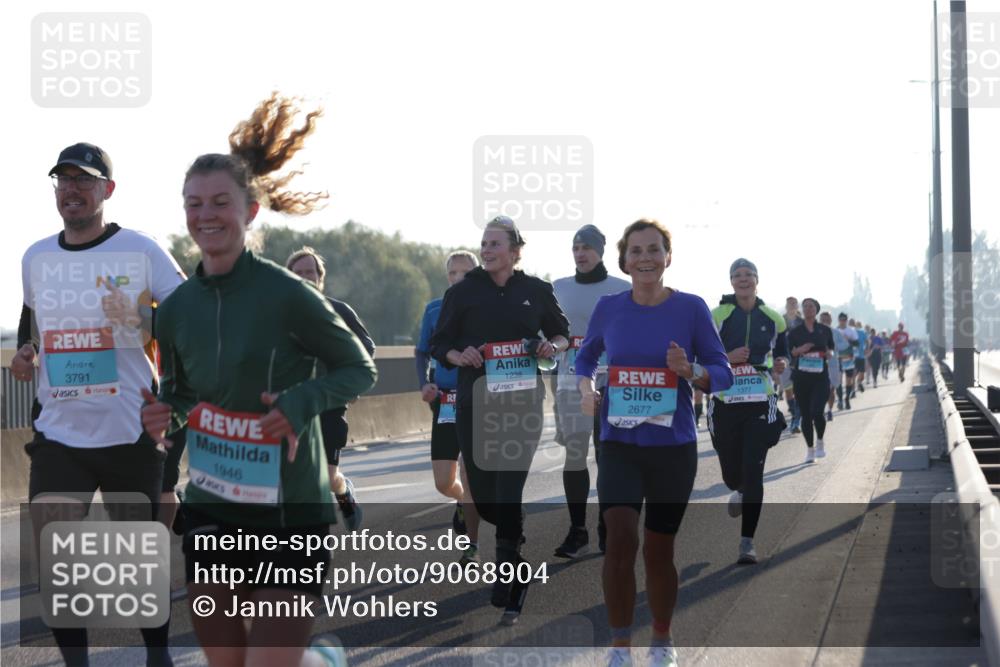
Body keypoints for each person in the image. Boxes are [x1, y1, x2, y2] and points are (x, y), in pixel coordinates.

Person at [140, 93, 376, 667]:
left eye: (220, 202)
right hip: (213, 506)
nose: (206, 215)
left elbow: (358, 367)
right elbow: (180, 392)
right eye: (194, 204)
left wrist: (300, 401)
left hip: (290, 509)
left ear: (250, 211)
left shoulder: (288, 294)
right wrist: (163, 413)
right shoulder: (175, 310)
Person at [12, 142, 185, 667]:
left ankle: (158, 656)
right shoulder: (36, 256)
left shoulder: (141, 250)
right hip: (60, 434)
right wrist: (27, 351)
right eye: (63, 180)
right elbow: (32, 319)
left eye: (84, 180)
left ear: (107, 189)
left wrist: (139, 319)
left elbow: (190, 319)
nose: (72, 190)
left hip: (130, 431)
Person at [576, 219, 732, 667]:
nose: (645, 257)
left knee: (659, 550)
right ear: (624, 261)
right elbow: (585, 357)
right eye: (636, 251)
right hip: (619, 443)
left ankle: (662, 639)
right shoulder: (609, 307)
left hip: (672, 448)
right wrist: (586, 388)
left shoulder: (691, 308)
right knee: (620, 540)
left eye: (654, 249)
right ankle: (620, 646)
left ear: (668, 257)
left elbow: (721, 372)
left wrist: (691, 371)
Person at [429, 215, 570, 624]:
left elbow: (562, 334)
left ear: (515, 250)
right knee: (486, 497)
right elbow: (440, 343)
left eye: (495, 244)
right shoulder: (463, 292)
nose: (487, 250)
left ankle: (507, 575)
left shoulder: (536, 290)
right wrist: (460, 355)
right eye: (484, 243)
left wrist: (550, 346)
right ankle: (518, 566)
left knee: (509, 490)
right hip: (475, 405)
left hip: (522, 406)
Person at [551, 224, 630, 558]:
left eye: (586, 247)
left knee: (606, 455)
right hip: (570, 382)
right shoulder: (557, 288)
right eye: (575, 248)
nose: (580, 253)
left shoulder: (622, 289)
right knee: (574, 455)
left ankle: (605, 527)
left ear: (600, 250)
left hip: (613, 382)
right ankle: (577, 530)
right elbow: (547, 332)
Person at [286, 246, 375, 531]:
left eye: (310, 272)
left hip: (330, 404)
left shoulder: (338, 311)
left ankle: (344, 492)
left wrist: (349, 382)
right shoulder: (277, 313)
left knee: (327, 475)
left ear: (320, 277)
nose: (305, 277)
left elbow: (366, 348)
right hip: (291, 406)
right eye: (298, 273)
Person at [708, 259, 788, 565]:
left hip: (759, 397)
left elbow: (781, 349)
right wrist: (727, 357)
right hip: (724, 401)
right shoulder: (717, 315)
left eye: (748, 275)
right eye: (737, 275)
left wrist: (780, 362)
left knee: (754, 471)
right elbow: (701, 352)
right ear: (731, 282)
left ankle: (747, 542)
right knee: (731, 474)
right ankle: (738, 489)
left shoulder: (773, 317)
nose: (743, 279)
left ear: (757, 280)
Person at [415, 249, 482, 563]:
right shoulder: (434, 309)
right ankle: (461, 501)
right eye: (452, 273)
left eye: (464, 273)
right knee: (444, 481)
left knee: (469, 473)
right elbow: (421, 352)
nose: (457, 278)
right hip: (444, 401)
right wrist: (424, 384)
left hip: (476, 399)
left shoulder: (485, 307)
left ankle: (471, 545)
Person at [787, 299, 836, 463]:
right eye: (805, 306)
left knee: (817, 411)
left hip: (820, 376)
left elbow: (831, 348)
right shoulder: (795, 332)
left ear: (816, 310)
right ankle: (810, 449)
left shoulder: (824, 330)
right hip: (801, 377)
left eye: (811, 306)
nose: (808, 309)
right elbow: (790, 352)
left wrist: (829, 354)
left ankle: (820, 441)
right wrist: (800, 350)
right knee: (806, 414)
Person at [780, 297, 804, 433]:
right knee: (788, 391)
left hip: (800, 360)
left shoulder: (802, 322)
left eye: (794, 304)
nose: (792, 306)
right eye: (790, 304)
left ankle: (796, 421)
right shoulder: (780, 320)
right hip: (784, 359)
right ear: (786, 306)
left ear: (797, 306)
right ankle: (795, 414)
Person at [819, 312, 841, 422]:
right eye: (823, 320)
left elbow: (843, 346)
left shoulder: (836, 332)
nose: (825, 322)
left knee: (831, 391)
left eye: (827, 320)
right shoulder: (814, 332)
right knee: (820, 390)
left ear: (831, 321)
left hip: (833, 365)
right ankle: (820, 411)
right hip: (818, 365)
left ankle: (830, 411)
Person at [835, 313, 858, 409]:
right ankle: (840, 400)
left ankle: (847, 399)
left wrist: (848, 340)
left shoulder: (851, 330)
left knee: (849, 381)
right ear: (838, 320)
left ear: (847, 320)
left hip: (849, 358)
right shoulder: (835, 331)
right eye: (841, 319)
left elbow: (857, 344)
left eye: (844, 319)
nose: (842, 321)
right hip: (838, 358)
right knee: (839, 381)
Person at [853, 320, 868, 393]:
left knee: (862, 375)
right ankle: (852, 389)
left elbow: (867, 341)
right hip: (854, 356)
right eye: (857, 324)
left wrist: (867, 349)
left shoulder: (863, 332)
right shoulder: (852, 332)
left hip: (861, 356)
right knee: (854, 373)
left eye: (859, 324)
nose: (858, 326)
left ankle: (858, 383)